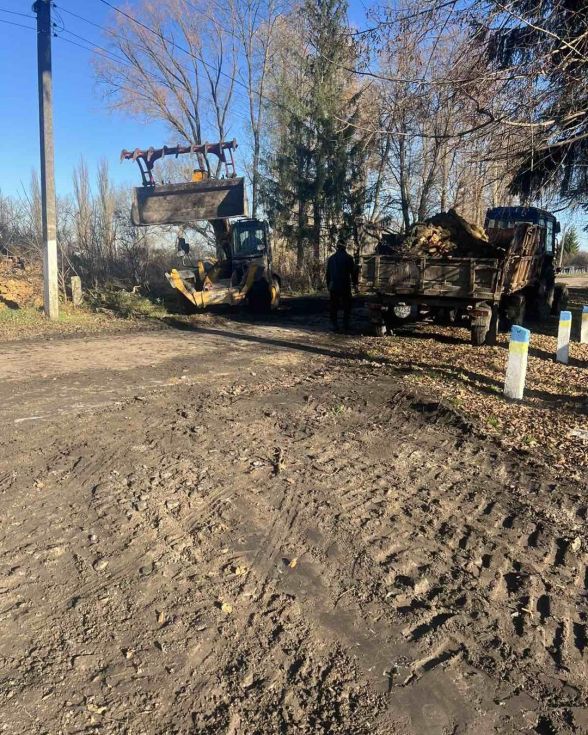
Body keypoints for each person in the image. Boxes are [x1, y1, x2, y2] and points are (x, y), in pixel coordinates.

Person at [326, 242, 358, 332]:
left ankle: (334, 324)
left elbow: (328, 274)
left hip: (334, 285)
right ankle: (345, 324)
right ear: (345, 247)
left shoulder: (331, 258)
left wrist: (328, 285)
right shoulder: (349, 258)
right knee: (347, 305)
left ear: (337, 247)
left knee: (334, 305)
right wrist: (355, 284)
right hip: (345, 285)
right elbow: (353, 273)